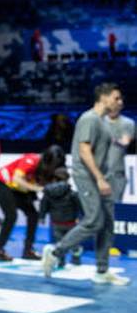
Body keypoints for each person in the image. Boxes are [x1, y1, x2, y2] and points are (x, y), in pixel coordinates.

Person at [42, 83, 130, 285]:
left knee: (107, 224)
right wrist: (99, 178)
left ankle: (102, 270)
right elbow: (84, 151)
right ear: (104, 97)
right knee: (94, 221)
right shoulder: (89, 119)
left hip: (102, 176)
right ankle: (56, 252)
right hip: (88, 177)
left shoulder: (103, 122)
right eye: (116, 98)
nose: (119, 102)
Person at [0, 146, 62, 261]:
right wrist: (35, 188)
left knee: (33, 215)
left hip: (20, 189)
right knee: (11, 216)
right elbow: (16, 179)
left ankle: (28, 250)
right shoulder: (31, 160)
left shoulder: (50, 170)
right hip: (2, 184)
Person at [39, 167, 83, 268]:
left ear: (54, 178)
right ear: (67, 178)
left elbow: (43, 205)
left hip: (56, 223)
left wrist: (42, 217)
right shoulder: (72, 194)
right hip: (71, 222)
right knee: (74, 241)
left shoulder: (48, 193)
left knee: (59, 243)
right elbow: (80, 206)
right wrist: (82, 217)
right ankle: (76, 260)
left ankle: (61, 261)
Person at [107, 110, 134, 205]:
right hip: (98, 171)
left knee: (115, 203)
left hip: (116, 172)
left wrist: (113, 140)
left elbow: (125, 142)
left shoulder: (127, 123)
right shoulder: (99, 122)